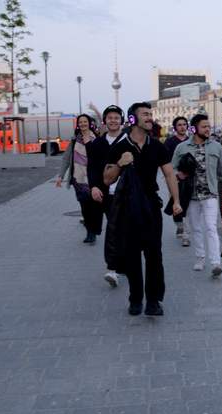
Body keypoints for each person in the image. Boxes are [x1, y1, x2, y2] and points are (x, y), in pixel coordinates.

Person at [103, 102, 182, 316]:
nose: (149, 117)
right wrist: (120, 163)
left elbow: (168, 174)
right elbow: (107, 179)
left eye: (150, 114)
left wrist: (176, 201)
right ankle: (135, 299)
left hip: (150, 206)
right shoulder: (119, 146)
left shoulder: (157, 146)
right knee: (131, 256)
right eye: (145, 114)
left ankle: (154, 301)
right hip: (128, 208)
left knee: (154, 254)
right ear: (132, 119)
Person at [171, 114, 222, 278]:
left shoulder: (217, 147)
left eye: (209, 126)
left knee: (211, 227)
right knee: (195, 228)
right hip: (190, 195)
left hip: (210, 194)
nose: (208, 129)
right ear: (195, 128)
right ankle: (200, 258)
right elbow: (171, 169)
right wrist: (178, 175)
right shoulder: (182, 147)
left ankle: (216, 262)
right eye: (204, 126)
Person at [87, 105, 125, 288]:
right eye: (109, 117)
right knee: (113, 229)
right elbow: (92, 168)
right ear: (105, 121)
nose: (113, 120)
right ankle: (112, 268)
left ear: (122, 120)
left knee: (126, 231)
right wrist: (94, 186)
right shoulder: (98, 144)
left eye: (116, 117)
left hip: (128, 194)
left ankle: (123, 262)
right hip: (107, 194)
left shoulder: (129, 141)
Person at [56, 114, 101, 245]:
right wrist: (60, 176)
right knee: (85, 208)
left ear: (89, 123)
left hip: (93, 180)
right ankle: (89, 231)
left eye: (85, 121)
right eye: (80, 122)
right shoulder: (75, 140)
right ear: (78, 124)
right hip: (78, 180)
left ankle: (93, 231)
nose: (82, 124)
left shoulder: (96, 139)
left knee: (93, 207)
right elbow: (66, 158)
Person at [164, 116, 191, 245]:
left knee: (188, 205)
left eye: (184, 124)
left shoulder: (191, 141)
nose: (182, 127)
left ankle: (186, 233)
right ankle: (179, 224)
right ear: (175, 127)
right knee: (176, 201)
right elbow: (165, 162)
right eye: (179, 125)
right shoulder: (169, 142)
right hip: (174, 177)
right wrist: (174, 175)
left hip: (190, 179)